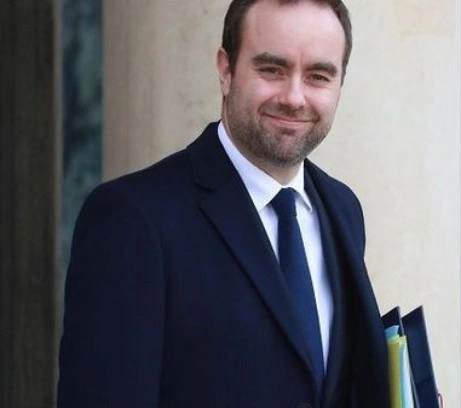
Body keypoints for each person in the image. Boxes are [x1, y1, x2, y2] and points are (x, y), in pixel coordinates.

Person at [57, 0, 390, 407]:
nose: (294, 97)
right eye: (272, 69)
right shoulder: (132, 219)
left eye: (318, 76)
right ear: (226, 70)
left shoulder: (343, 209)